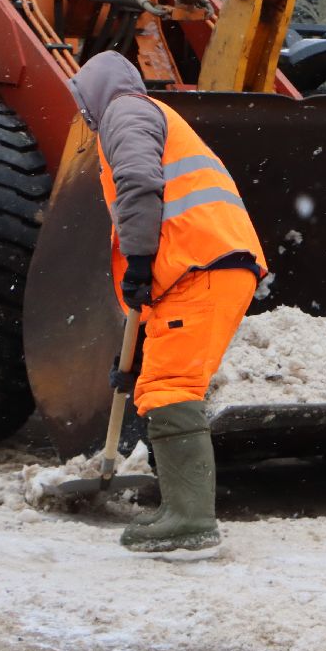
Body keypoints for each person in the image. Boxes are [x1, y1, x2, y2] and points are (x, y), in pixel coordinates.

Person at [69, 51, 268, 553]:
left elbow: (139, 185)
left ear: (95, 93)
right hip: (202, 267)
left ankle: (190, 520)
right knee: (160, 379)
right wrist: (131, 357)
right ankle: (183, 512)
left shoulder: (126, 113)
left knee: (172, 387)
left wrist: (137, 261)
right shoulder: (146, 115)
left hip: (199, 266)